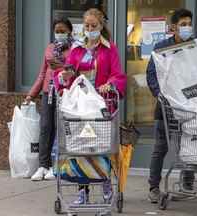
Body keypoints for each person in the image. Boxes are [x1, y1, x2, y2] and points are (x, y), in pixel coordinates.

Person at [54, 8, 127, 204]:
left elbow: (118, 74)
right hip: (80, 106)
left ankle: (105, 182)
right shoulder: (77, 49)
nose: (89, 29)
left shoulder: (109, 49)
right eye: (86, 26)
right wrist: (64, 76)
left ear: (101, 26)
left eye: (93, 26)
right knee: (80, 148)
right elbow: (67, 73)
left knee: (100, 147)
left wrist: (109, 84)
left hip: (100, 106)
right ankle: (82, 192)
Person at [146, 8, 196, 203]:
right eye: (183, 25)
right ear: (173, 27)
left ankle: (188, 184)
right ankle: (153, 187)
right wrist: (159, 94)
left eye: (189, 24)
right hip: (166, 106)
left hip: (189, 106)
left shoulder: (194, 47)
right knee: (161, 147)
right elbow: (152, 74)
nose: (187, 28)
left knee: (189, 145)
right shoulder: (161, 48)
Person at [26, 17, 74, 181]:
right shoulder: (50, 48)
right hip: (48, 92)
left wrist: (60, 67)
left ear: (69, 32)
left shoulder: (74, 49)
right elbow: (42, 73)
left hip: (64, 93)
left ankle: (57, 165)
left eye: (63, 31)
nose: (59, 34)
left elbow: (75, 70)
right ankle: (43, 165)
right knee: (46, 127)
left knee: (60, 127)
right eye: (57, 31)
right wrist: (31, 94)